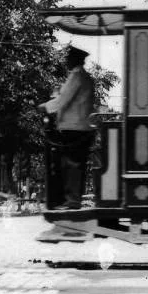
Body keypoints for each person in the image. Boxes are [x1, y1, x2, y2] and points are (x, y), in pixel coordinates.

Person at [40, 45, 96, 210]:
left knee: (70, 164)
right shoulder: (81, 76)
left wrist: (45, 106)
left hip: (74, 128)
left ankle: (72, 200)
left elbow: (63, 99)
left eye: (68, 58)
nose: (65, 61)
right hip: (79, 127)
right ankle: (72, 199)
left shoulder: (77, 75)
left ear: (75, 59)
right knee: (74, 164)